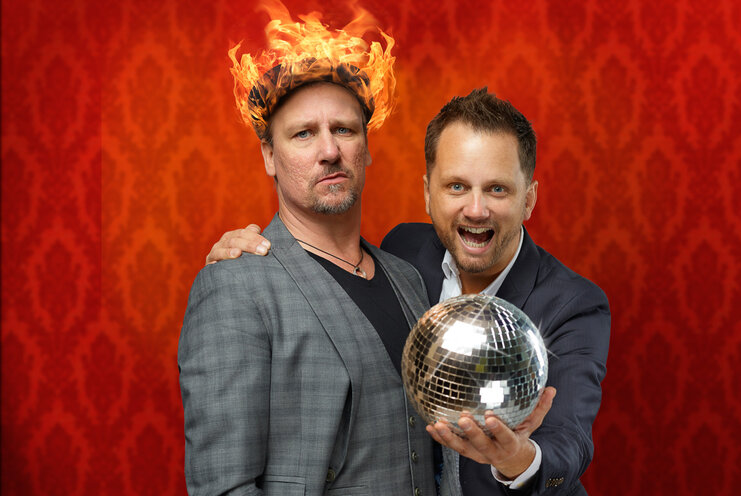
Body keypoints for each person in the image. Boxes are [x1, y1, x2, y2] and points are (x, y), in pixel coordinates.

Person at [179, 6, 554, 495]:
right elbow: (223, 486)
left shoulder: (407, 275)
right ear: (270, 156)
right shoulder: (234, 288)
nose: (329, 151)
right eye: (303, 134)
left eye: (344, 129)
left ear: (366, 147)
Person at [208, 88, 610, 495]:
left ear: (529, 199)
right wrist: (246, 259)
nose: (476, 210)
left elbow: (569, 443)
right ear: (428, 194)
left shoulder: (575, 304)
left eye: (497, 189)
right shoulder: (402, 254)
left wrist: (518, 460)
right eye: (456, 186)